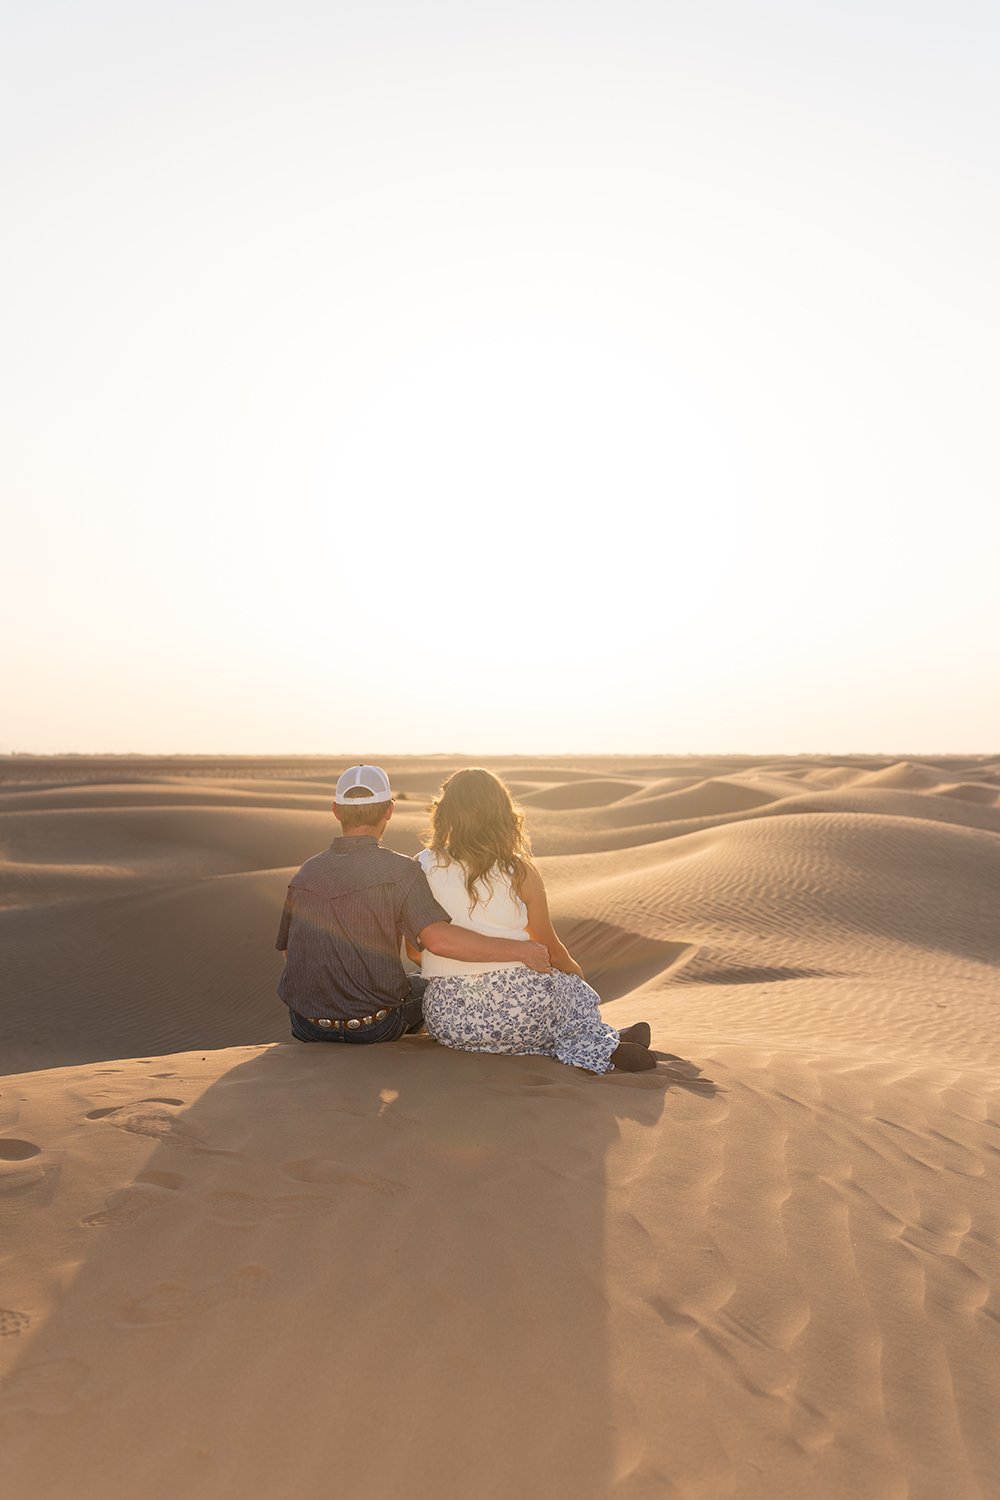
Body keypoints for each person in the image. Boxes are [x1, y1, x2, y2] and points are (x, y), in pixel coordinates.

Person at [276, 764, 553, 1046]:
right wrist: (521, 950)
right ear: (389, 811)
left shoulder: (305, 873)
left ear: (336, 810)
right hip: (375, 1027)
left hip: (305, 1026)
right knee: (430, 986)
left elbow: (289, 951)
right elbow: (438, 941)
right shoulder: (401, 871)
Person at [410, 767, 657, 1073]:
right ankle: (605, 1042)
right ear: (502, 814)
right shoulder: (519, 870)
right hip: (523, 1012)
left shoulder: (419, 867)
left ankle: (606, 1040)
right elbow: (549, 948)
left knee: (544, 1010)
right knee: (567, 991)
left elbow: (412, 950)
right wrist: (576, 981)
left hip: (449, 1021)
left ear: (445, 813)